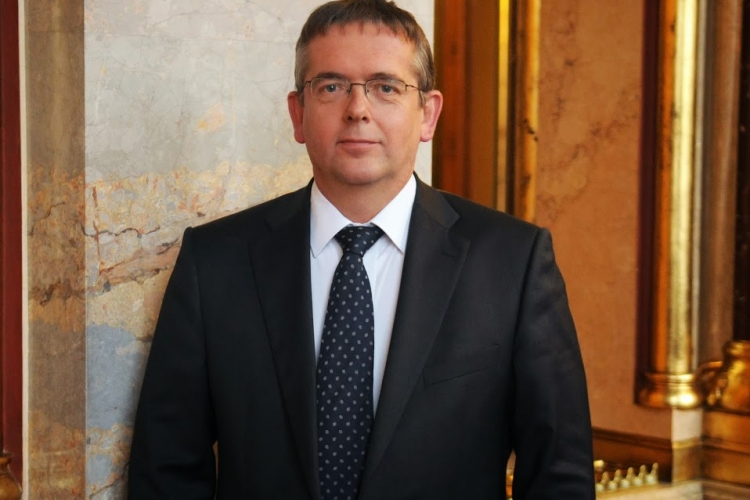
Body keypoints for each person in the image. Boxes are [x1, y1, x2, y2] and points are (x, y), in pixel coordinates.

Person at [128, 0, 595, 498]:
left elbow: (559, 475)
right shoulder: (215, 262)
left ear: (428, 115)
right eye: (331, 86)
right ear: (298, 114)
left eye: (386, 87)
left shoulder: (513, 263)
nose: (357, 109)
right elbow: (166, 472)